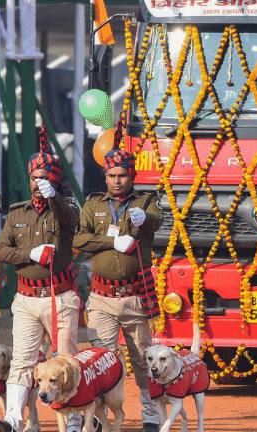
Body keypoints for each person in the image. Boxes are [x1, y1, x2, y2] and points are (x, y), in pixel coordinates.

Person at [0, 131, 82, 432]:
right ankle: (13, 421)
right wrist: (30, 253)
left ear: (54, 180)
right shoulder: (18, 212)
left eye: (44, 177)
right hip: (27, 299)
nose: (38, 183)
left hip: (60, 297)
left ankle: (74, 420)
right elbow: (0, 250)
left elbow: (69, 219)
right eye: (34, 177)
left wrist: (54, 196)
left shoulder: (66, 210)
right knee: (22, 360)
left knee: (65, 361)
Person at [74, 144, 164, 432]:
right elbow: (79, 240)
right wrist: (111, 242)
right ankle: (100, 418)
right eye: (111, 175)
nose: (116, 180)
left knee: (143, 359)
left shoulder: (146, 201)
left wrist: (145, 219)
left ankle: (150, 415)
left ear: (132, 176)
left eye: (122, 175)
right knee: (103, 360)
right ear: (105, 176)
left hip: (136, 297)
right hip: (101, 297)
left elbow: (159, 220)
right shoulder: (93, 205)